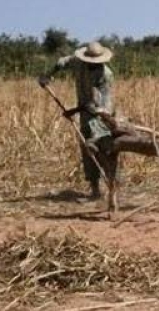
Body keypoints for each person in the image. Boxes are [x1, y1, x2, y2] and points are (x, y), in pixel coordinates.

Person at [38, 41, 118, 200]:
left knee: (102, 150)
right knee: (87, 151)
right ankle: (95, 190)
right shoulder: (78, 62)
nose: (93, 65)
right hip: (85, 116)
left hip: (100, 117)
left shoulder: (105, 75)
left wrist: (73, 111)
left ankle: (112, 188)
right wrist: (48, 75)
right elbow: (63, 62)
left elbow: (100, 106)